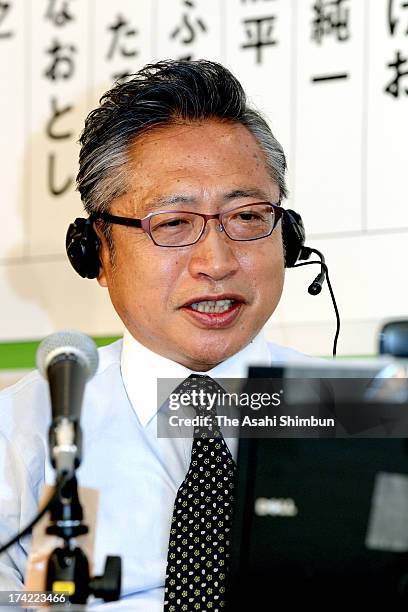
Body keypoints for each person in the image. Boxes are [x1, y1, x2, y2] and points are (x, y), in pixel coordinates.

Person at [0, 60, 307, 610]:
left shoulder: (362, 418)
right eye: (172, 224)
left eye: (246, 217)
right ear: (97, 251)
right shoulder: (20, 434)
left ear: (288, 237)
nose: (216, 262)